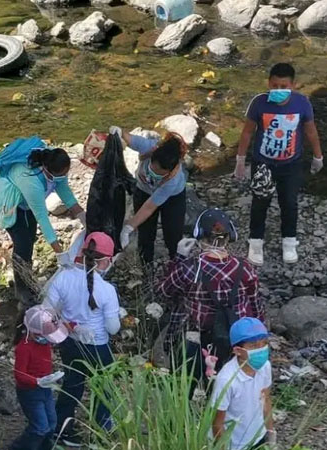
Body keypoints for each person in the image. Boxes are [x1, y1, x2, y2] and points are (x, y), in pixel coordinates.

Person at [156, 208, 264, 381]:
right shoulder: (246, 268)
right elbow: (256, 309)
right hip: (235, 342)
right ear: (230, 237)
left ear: (199, 236)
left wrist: (179, 257)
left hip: (196, 340)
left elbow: (163, 291)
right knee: (225, 390)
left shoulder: (189, 268)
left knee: (185, 386)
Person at [233, 63, 324, 266]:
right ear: (268, 83)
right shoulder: (259, 103)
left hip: (291, 164)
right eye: (275, 85)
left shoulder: (302, 103)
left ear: (293, 85)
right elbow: (247, 132)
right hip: (263, 163)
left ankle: (289, 241)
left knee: (289, 203)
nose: (279, 90)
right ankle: (256, 242)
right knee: (260, 202)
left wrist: (318, 156)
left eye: (284, 86)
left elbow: (310, 131)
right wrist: (240, 160)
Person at [43, 232, 121, 446]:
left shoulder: (63, 278)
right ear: (105, 261)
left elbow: (47, 313)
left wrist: (72, 325)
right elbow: (113, 328)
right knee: (103, 388)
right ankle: (102, 427)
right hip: (99, 346)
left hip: (70, 343)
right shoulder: (107, 290)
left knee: (72, 384)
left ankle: (62, 428)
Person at [0, 145, 85, 306]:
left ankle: (27, 277)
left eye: (65, 174)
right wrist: (60, 253)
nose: (64, 177)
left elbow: (67, 195)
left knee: (30, 238)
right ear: (48, 170)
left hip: (25, 203)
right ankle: (21, 289)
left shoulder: (57, 172)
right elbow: (42, 217)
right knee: (22, 244)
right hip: (9, 202)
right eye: (61, 175)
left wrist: (84, 217)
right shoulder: (31, 179)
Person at [112, 127, 187, 265]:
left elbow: (149, 207)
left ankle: (177, 266)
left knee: (173, 235)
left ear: (169, 171)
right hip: (143, 191)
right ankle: (147, 269)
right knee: (145, 234)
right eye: (152, 169)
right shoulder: (149, 147)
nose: (152, 174)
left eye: (158, 174)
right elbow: (128, 138)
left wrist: (128, 227)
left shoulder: (173, 180)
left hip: (173, 198)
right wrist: (118, 132)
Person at [211, 318, 275, 450]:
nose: (261, 349)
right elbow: (217, 423)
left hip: (258, 437)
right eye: (253, 346)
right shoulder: (226, 379)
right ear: (238, 351)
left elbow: (266, 399)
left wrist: (270, 433)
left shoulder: (265, 367)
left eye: (264, 343)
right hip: (234, 445)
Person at [10, 306, 68, 450]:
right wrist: (37, 381)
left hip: (46, 388)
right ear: (34, 333)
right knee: (40, 427)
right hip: (29, 392)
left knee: (52, 424)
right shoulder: (24, 347)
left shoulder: (44, 342)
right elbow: (19, 374)